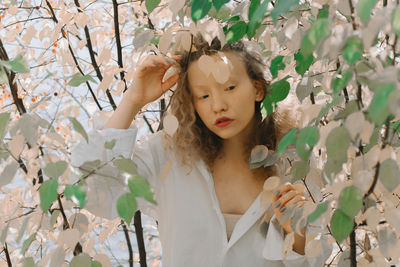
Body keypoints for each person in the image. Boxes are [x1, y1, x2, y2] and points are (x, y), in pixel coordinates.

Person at [72, 34, 331, 266]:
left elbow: (316, 258)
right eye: (203, 96)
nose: (218, 105)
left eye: (229, 88)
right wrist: (132, 101)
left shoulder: (293, 162)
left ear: (257, 89)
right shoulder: (168, 155)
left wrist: (295, 233)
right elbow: (89, 191)